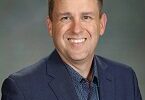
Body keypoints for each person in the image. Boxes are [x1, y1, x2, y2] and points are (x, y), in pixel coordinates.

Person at [1, 0, 142, 100]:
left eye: (86, 17)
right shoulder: (21, 89)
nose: (76, 29)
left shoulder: (126, 78)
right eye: (65, 18)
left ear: (102, 24)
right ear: (50, 26)